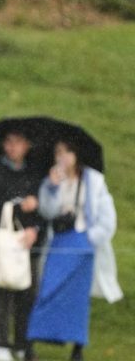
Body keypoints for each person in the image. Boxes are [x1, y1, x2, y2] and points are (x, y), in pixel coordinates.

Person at [25, 140, 122, 361]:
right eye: (58, 152)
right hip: (59, 241)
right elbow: (47, 212)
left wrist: (90, 238)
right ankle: (31, 343)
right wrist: (51, 186)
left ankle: (77, 348)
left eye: (68, 151)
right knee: (47, 291)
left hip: (83, 243)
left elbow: (107, 217)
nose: (63, 156)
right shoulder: (52, 179)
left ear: (76, 154)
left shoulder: (94, 181)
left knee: (77, 299)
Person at [0, 131, 45, 361]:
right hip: (1, 242)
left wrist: (35, 229)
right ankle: (0, 343)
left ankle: (23, 343)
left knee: (28, 293)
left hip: (28, 243)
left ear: (27, 145)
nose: (13, 147)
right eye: (9, 142)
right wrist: (18, 206)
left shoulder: (34, 174)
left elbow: (44, 211)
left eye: (18, 142)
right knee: (2, 290)